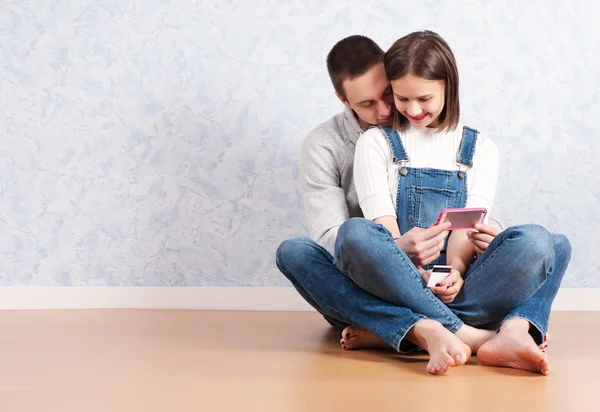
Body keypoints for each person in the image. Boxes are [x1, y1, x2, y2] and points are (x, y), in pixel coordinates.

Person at [275, 34, 571, 375]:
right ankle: (474, 334)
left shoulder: (473, 145)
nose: (390, 111)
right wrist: (396, 252)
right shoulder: (349, 144)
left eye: (390, 95)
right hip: (374, 279)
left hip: (450, 282)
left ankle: (400, 329)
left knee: (551, 244)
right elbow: (339, 239)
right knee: (328, 242)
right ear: (344, 100)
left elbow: (470, 222)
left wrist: (480, 251)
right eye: (368, 104)